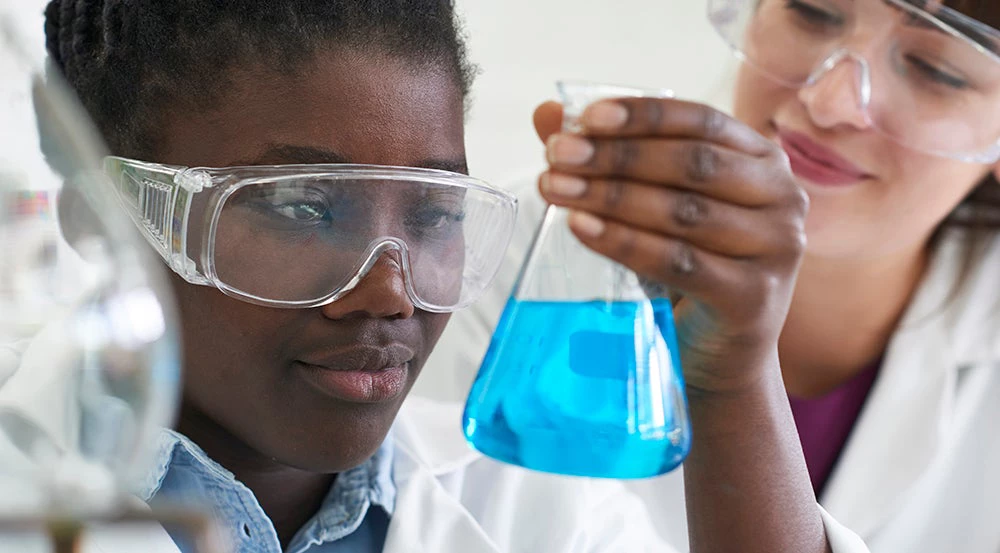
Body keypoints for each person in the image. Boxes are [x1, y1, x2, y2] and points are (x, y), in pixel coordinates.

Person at [0, 0, 873, 552]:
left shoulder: (529, 508)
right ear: (100, 214)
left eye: (434, 213)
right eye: (305, 206)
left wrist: (731, 380)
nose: (391, 292)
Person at [426, 0, 1000, 551]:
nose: (828, 103)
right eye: (812, 10)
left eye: (937, 70)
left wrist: (735, 388)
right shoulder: (522, 244)